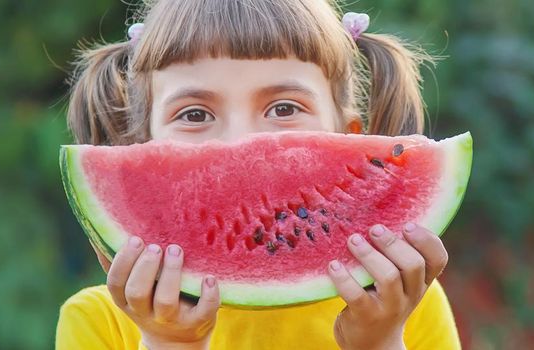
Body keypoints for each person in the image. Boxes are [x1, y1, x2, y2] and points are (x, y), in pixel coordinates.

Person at [54, 1, 459, 349]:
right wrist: (170, 343)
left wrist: (381, 342)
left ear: (349, 137)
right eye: (195, 114)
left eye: (284, 108)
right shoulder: (97, 322)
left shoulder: (407, 307)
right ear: (144, 150)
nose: (243, 143)